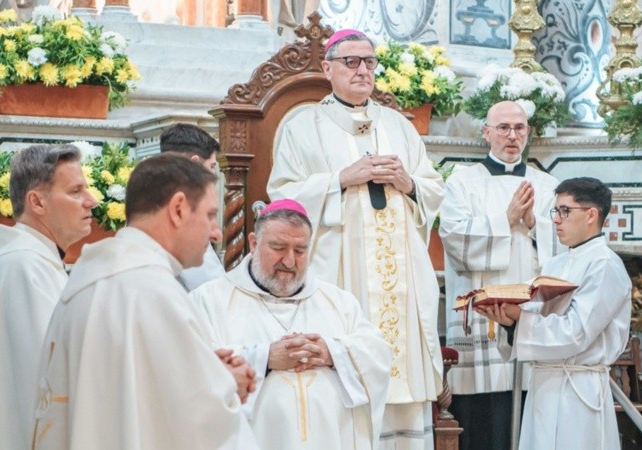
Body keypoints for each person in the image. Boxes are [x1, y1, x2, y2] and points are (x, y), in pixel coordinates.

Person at [267, 29, 444, 449]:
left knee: (404, 395)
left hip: (402, 283)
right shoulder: (302, 125)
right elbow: (282, 197)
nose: (362, 69)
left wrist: (408, 182)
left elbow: (434, 188)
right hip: (341, 273)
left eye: (369, 61)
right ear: (327, 69)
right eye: (351, 61)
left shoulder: (399, 125)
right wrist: (341, 180)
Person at [31, 153, 258, 450]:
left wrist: (205, 367)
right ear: (177, 209)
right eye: (209, 215)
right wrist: (230, 384)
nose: (216, 232)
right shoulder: (153, 290)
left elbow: (128, 386)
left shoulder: (89, 277)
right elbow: (199, 417)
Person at [190, 198, 391, 450]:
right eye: (278, 247)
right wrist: (264, 358)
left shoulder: (339, 302)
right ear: (254, 243)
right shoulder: (209, 301)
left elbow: (378, 354)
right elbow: (191, 367)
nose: (289, 261)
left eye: (300, 250)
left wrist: (332, 352)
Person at [0, 144, 97, 450]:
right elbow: (55, 382)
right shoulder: (24, 269)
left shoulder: (29, 262)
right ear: (37, 202)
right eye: (75, 191)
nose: (91, 201)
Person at [438, 100, 562, 450]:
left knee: (529, 411)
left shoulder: (548, 185)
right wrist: (504, 220)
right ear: (486, 133)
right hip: (480, 319)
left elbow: (565, 248)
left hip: (531, 314)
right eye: (503, 128)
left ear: (528, 134)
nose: (512, 136)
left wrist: (535, 225)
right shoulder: (462, 181)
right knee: (483, 420)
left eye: (519, 128)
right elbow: (453, 238)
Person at [477, 177, 631, 450]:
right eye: (556, 211)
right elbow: (540, 311)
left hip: (578, 392)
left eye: (565, 211)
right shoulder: (557, 263)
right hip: (544, 385)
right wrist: (509, 319)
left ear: (592, 215)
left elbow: (576, 332)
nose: (556, 220)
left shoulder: (605, 264)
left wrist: (520, 320)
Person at [159, 122, 226, 289]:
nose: (213, 176)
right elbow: (210, 286)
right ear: (194, 163)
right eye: (211, 167)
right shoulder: (185, 207)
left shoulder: (151, 197)